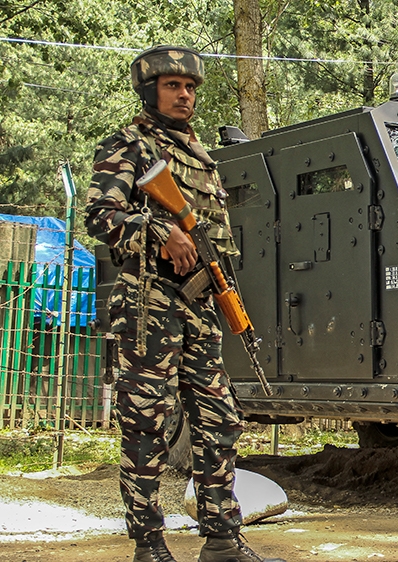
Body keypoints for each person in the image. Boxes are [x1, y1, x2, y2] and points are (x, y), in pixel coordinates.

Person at [85, 45, 285, 562]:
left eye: (191, 87)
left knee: (219, 420)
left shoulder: (201, 159)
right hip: (148, 305)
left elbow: (214, 239)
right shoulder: (129, 146)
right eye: (173, 86)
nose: (185, 95)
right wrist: (157, 230)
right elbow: (99, 218)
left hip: (199, 307)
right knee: (146, 424)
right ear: (150, 91)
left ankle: (222, 538)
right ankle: (149, 545)